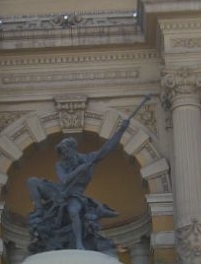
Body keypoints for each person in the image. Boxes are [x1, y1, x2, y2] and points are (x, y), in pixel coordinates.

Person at [27, 96, 150, 251]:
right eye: (62, 152)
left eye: (65, 151)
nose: (64, 155)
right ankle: (39, 210)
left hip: (75, 195)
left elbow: (107, 149)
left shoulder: (88, 159)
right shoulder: (61, 164)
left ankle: (79, 243)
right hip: (59, 191)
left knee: (73, 211)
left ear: (72, 149)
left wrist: (121, 131)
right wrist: (79, 169)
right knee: (32, 181)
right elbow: (64, 180)